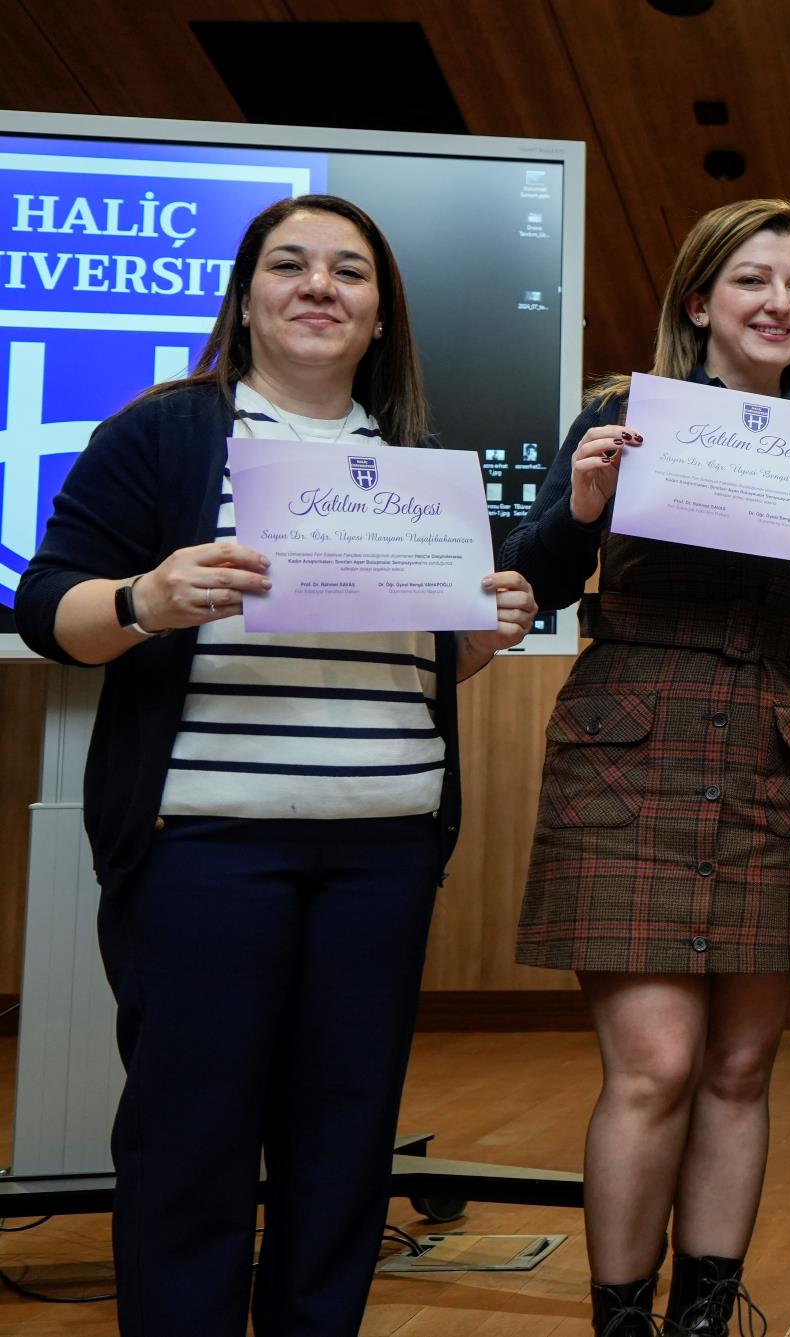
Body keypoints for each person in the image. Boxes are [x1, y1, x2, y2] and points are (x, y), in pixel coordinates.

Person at [15, 194, 536, 1336]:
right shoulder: (163, 434)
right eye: (290, 264)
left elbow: (432, 662)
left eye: (349, 271)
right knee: (190, 1139)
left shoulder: (419, 468)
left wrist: (482, 636)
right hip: (203, 846)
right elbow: (48, 606)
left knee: (345, 1143)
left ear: (380, 315)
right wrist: (145, 599)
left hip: (387, 848)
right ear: (246, 298)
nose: (319, 286)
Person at [501, 198, 790, 1337]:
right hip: (628, 751)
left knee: (739, 1065)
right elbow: (529, 579)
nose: (779, 302)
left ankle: (704, 1318)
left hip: (771, 753)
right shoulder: (620, 413)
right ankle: (621, 1321)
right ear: (699, 302)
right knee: (656, 1065)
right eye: (752, 280)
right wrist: (581, 508)